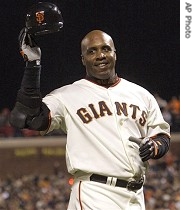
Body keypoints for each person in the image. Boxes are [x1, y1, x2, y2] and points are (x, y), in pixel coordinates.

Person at [10, 28, 171, 210]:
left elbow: (162, 136)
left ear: (115, 54)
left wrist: (154, 146)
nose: (100, 55)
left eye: (105, 49)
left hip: (135, 196)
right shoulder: (66, 95)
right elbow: (29, 118)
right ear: (83, 59)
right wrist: (33, 65)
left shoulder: (142, 95)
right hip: (94, 194)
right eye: (92, 51)